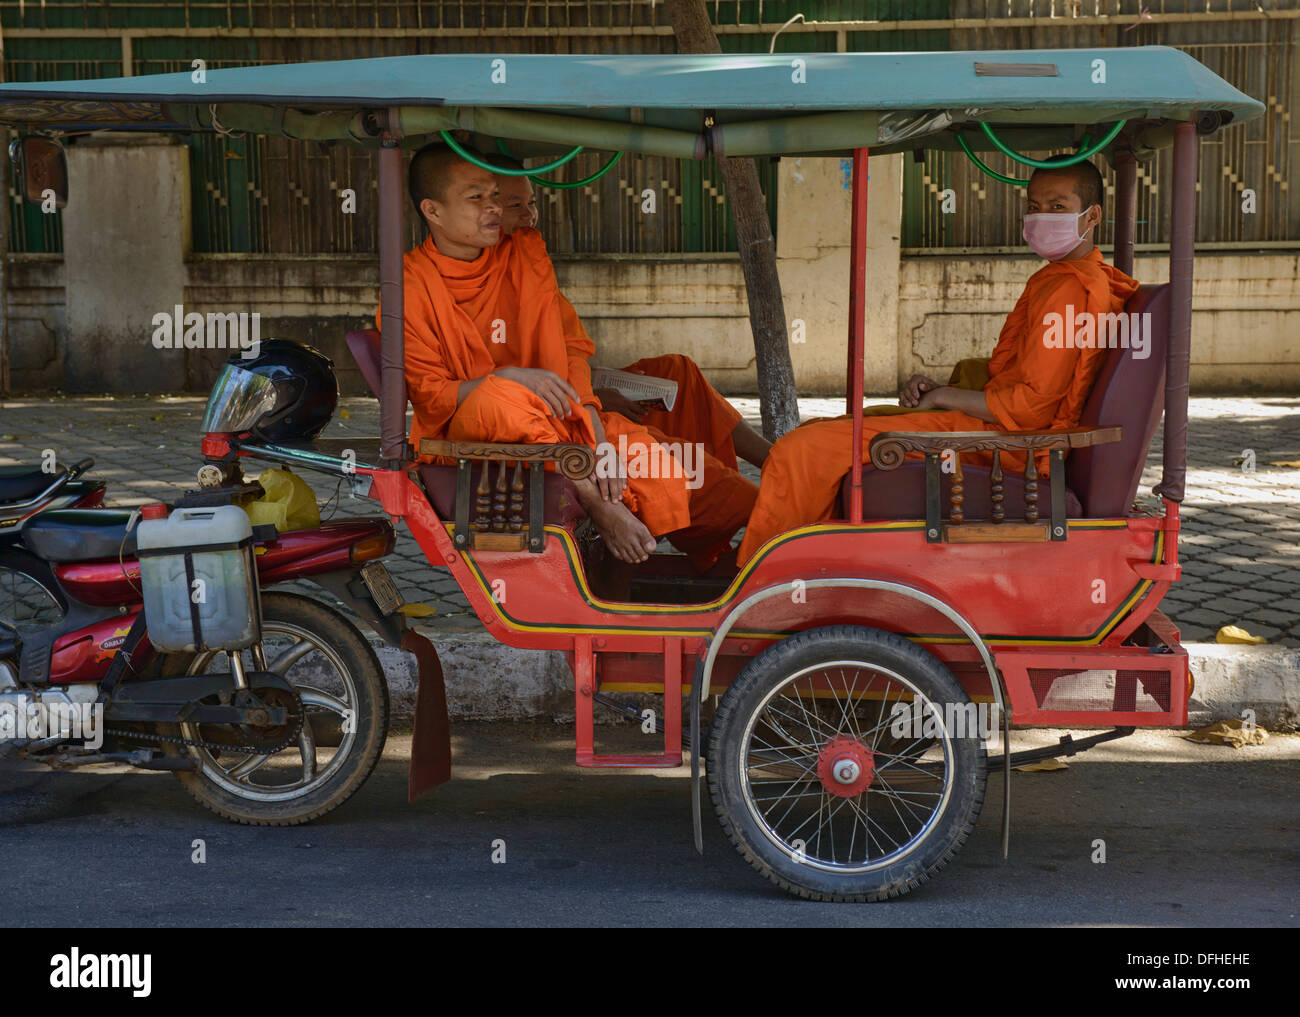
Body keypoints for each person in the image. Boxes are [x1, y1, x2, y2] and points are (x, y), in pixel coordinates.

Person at [735, 160, 1141, 566]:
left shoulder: (1071, 289)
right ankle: (816, 563)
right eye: (1034, 206)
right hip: (994, 429)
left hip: (1010, 446)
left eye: (1057, 206)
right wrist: (943, 391)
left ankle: (766, 580)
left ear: (1093, 215)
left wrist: (947, 395)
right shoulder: (1064, 277)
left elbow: (1029, 408)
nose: (1041, 217)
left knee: (801, 449)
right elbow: (1025, 374)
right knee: (825, 430)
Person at [382, 142, 754, 569]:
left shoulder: (523, 255)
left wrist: (593, 426)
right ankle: (599, 505)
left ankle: (741, 555)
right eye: (477, 198)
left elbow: (571, 350)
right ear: (433, 210)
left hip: (561, 417)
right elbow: (432, 397)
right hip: (473, 431)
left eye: (494, 197)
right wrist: (513, 378)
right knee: (500, 397)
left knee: (702, 482)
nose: (494, 210)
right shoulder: (408, 288)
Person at [488, 154, 771, 471]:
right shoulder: (476, 278)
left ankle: (770, 459)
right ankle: (738, 477)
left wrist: (596, 382)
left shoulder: (528, 261)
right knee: (709, 483)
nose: (530, 216)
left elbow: (564, 350)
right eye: (516, 206)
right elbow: (504, 381)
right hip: (554, 412)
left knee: (678, 372)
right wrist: (591, 398)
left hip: (576, 391)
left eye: (533, 203)